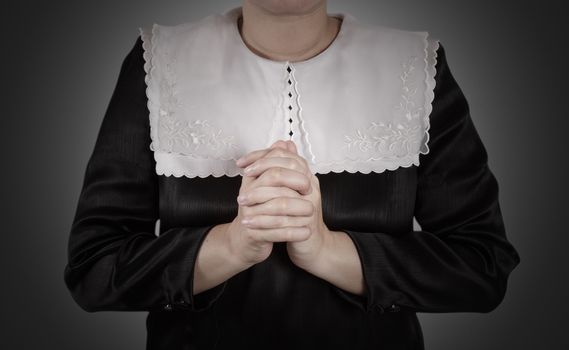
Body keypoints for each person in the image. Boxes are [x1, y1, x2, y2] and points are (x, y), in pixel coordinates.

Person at [64, 1, 520, 349]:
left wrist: (328, 250)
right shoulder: (157, 62)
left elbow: (481, 267)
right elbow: (94, 269)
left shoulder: (417, 65)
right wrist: (231, 244)